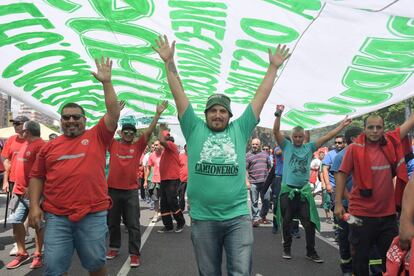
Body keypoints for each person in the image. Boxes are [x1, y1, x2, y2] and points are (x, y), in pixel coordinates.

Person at [154, 34, 290, 275]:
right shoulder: (193, 128)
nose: (218, 115)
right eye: (213, 111)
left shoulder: (240, 128)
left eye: (222, 111)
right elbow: (179, 94)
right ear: (206, 115)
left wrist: (272, 67)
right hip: (203, 219)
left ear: (229, 115)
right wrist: (168, 62)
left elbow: (260, 98)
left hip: (238, 218)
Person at [28, 57, 120, 276]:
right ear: (61, 120)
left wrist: (106, 82)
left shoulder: (98, 136)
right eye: (66, 117)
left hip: (93, 215)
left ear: (84, 120)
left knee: (96, 265)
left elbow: (114, 112)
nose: (71, 121)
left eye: (75, 117)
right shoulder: (49, 147)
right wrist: (34, 206)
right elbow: (36, 176)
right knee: (54, 268)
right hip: (57, 217)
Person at [334, 113, 414, 276]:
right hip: (360, 216)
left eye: (379, 127)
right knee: (360, 260)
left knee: (390, 259)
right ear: (365, 129)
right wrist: (338, 203)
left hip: (388, 216)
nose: (375, 131)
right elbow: (341, 173)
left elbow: (410, 121)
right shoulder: (354, 149)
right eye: (371, 127)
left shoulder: (391, 141)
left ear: (383, 129)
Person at [273, 104, 351, 263]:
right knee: (287, 221)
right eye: (295, 136)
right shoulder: (286, 146)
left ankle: (311, 251)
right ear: (292, 136)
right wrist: (278, 115)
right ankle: (286, 248)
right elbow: (275, 132)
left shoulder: (309, 147)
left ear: (304, 137)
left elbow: (327, 136)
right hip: (288, 191)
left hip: (303, 191)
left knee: (309, 223)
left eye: (300, 136)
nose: (298, 139)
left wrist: (341, 126)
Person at [106, 101, 167, 267]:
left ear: (134, 134)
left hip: (131, 192)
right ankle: (113, 247)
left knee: (133, 224)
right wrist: (114, 112)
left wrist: (157, 114)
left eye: (131, 131)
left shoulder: (138, 146)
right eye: (125, 131)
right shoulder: (113, 144)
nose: (128, 133)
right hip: (112, 191)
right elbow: (106, 128)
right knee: (112, 222)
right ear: (121, 132)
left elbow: (148, 132)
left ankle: (134, 253)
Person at [6, 121, 46, 269]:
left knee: (37, 224)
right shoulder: (25, 144)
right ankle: (22, 253)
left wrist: (32, 188)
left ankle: (38, 255)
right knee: (15, 221)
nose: (18, 131)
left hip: (33, 194)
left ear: (27, 131)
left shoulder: (41, 146)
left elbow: (43, 171)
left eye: (21, 129)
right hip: (18, 191)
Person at [331, 126, 363, 276]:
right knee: (346, 238)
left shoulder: (366, 153)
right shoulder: (341, 156)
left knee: (362, 239)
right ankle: (347, 269)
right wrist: (351, 201)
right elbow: (340, 182)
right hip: (347, 208)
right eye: (362, 136)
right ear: (354, 139)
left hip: (365, 209)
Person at [2, 115, 30, 256]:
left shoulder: (32, 139)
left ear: (26, 125)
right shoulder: (11, 140)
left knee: (29, 216)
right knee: (16, 214)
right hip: (14, 182)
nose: (15, 125)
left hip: (30, 184)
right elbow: (7, 161)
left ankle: (25, 244)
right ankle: (19, 243)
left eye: (18, 123)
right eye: (14, 123)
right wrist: (6, 181)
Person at [157, 130, 186, 233]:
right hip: (164, 180)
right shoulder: (165, 150)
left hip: (172, 179)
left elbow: (162, 141)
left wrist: (161, 129)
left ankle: (181, 222)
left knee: (172, 201)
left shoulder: (171, 145)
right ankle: (168, 226)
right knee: (164, 203)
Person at [246, 138, 272, 226]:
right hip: (253, 182)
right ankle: (255, 219)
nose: (254, 146)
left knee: (267, 199)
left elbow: (269, 167)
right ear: (251, 145)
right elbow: (245, 169)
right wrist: (247, 182)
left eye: (256, 144)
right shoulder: (248, 155)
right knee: (254, 202)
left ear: (260, 145)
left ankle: (262, 215)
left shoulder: (265, 154)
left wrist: (269, 178)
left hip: (265, 182)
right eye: (253, 144)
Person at [145, 140, 163, 222]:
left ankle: (165, 213)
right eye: (154, 145)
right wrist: (145, 181)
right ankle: (156, 214)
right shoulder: (152, 155)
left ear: (161, 145)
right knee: (155, 198)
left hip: (165, 180)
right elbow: (148, 168)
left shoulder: (165, 154)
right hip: (155, 180)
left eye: (156, 145)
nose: (155, 146)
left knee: (165, 199)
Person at [178, 144, 188, 212]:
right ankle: (181, 208)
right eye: (186, 147)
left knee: (192, 196)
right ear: (184, 148)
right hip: (182, 179)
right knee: (181, 195)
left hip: (191, 180)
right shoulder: (180, 156)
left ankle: (192, 208)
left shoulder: (193, 156)